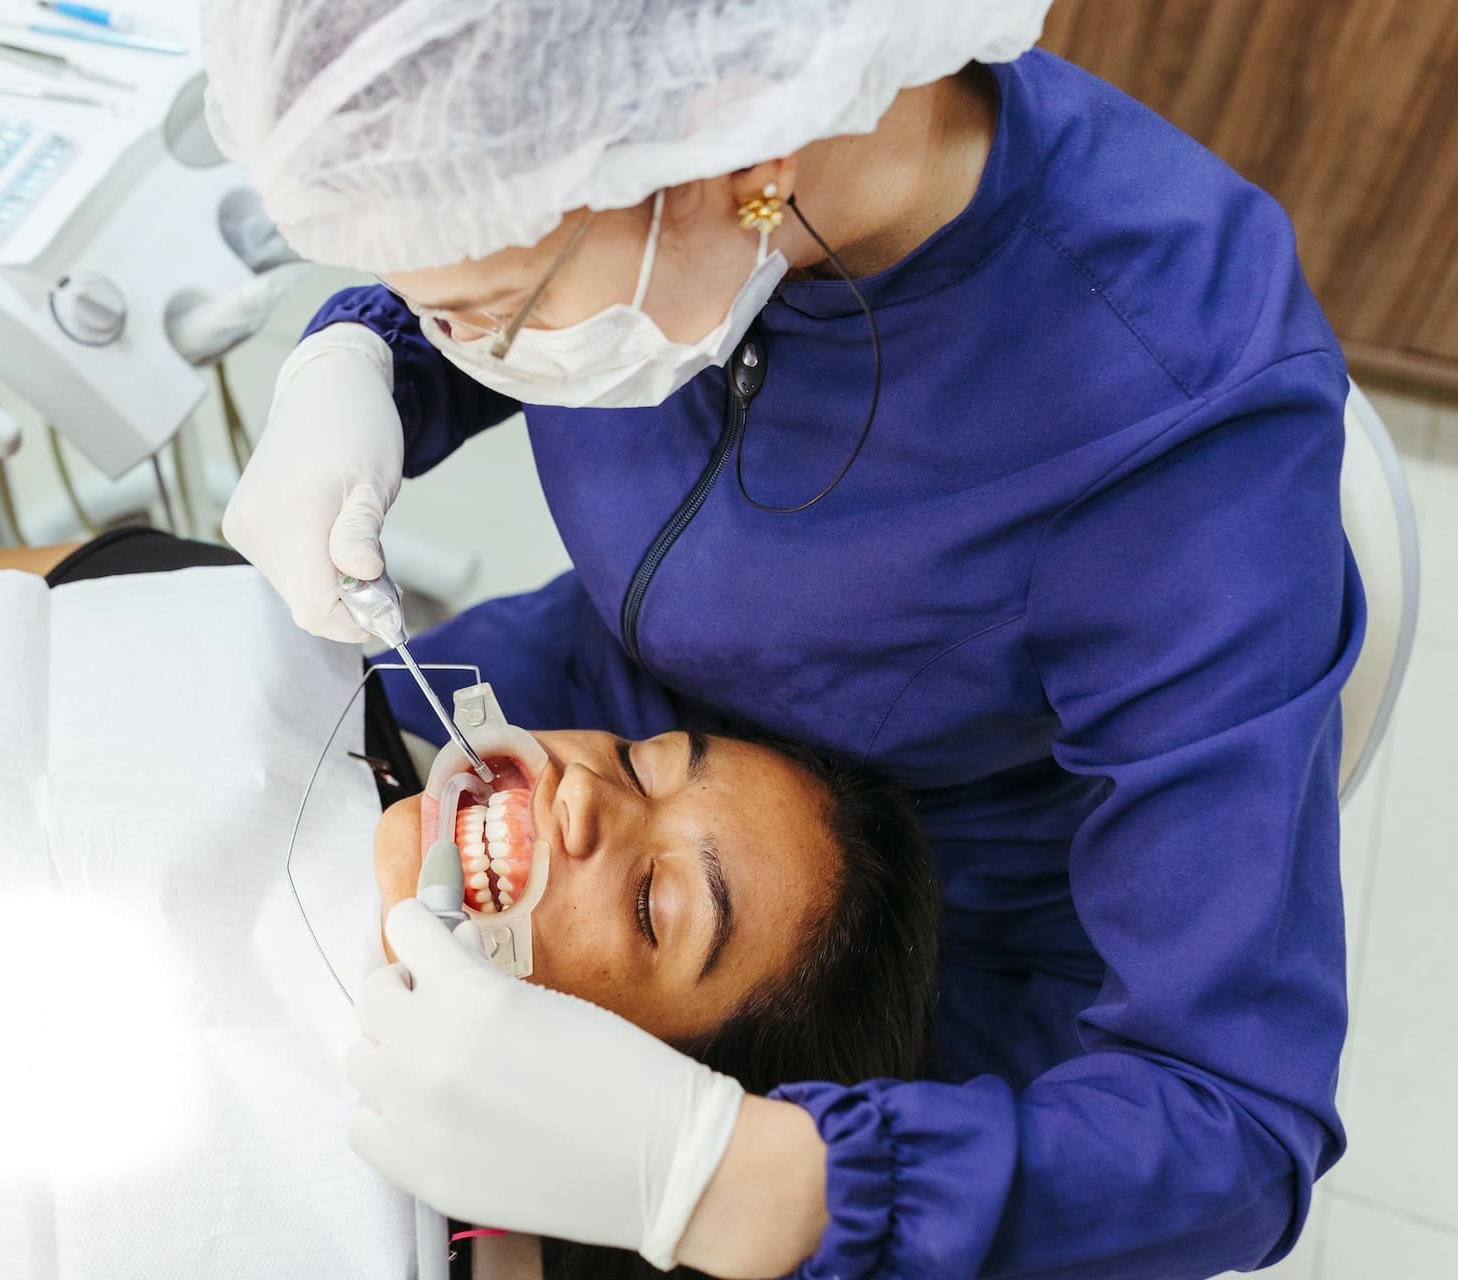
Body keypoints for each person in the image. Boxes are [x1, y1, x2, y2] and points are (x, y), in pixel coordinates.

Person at [201, 1, 1364, 1276]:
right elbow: (522, 202)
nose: (468, 343)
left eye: (486, 309)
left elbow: (1235, 1131)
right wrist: (367, 357)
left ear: (742, 164)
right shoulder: (656, 135)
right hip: (626, 718)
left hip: (844, 946)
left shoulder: (1174, 420)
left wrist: (748, 1176)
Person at [0, 530, 939, 1280]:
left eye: (651, 909)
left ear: (644, 1092)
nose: (584, 799)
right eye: (643, 762)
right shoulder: (241, 645)